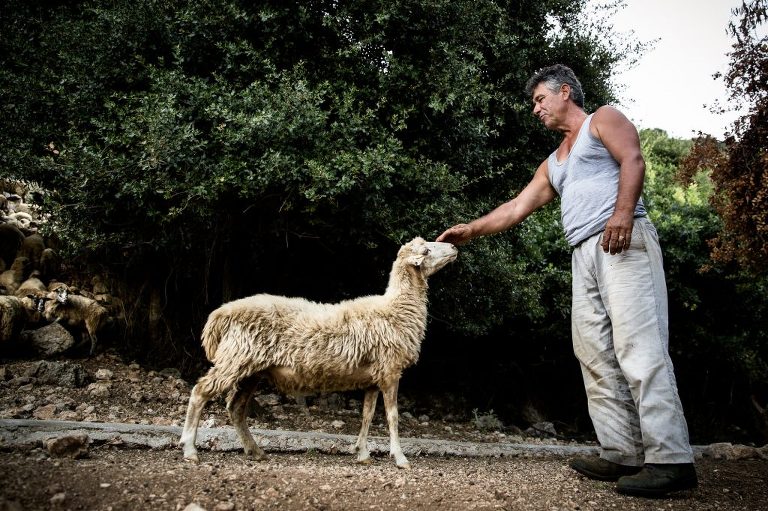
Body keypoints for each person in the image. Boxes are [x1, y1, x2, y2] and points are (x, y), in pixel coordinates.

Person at [436, 64, 697, 497]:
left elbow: (633, 157)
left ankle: (671, 459)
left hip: (622, 239)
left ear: (563, 92)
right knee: (593, 350)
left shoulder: (603, 119)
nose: (535, 109)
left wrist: (623, 213)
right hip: (583, 253)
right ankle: (621, 452)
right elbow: (516, 207)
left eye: (539, 99)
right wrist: (471, 229)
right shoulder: (554, 162)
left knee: (639, 346)